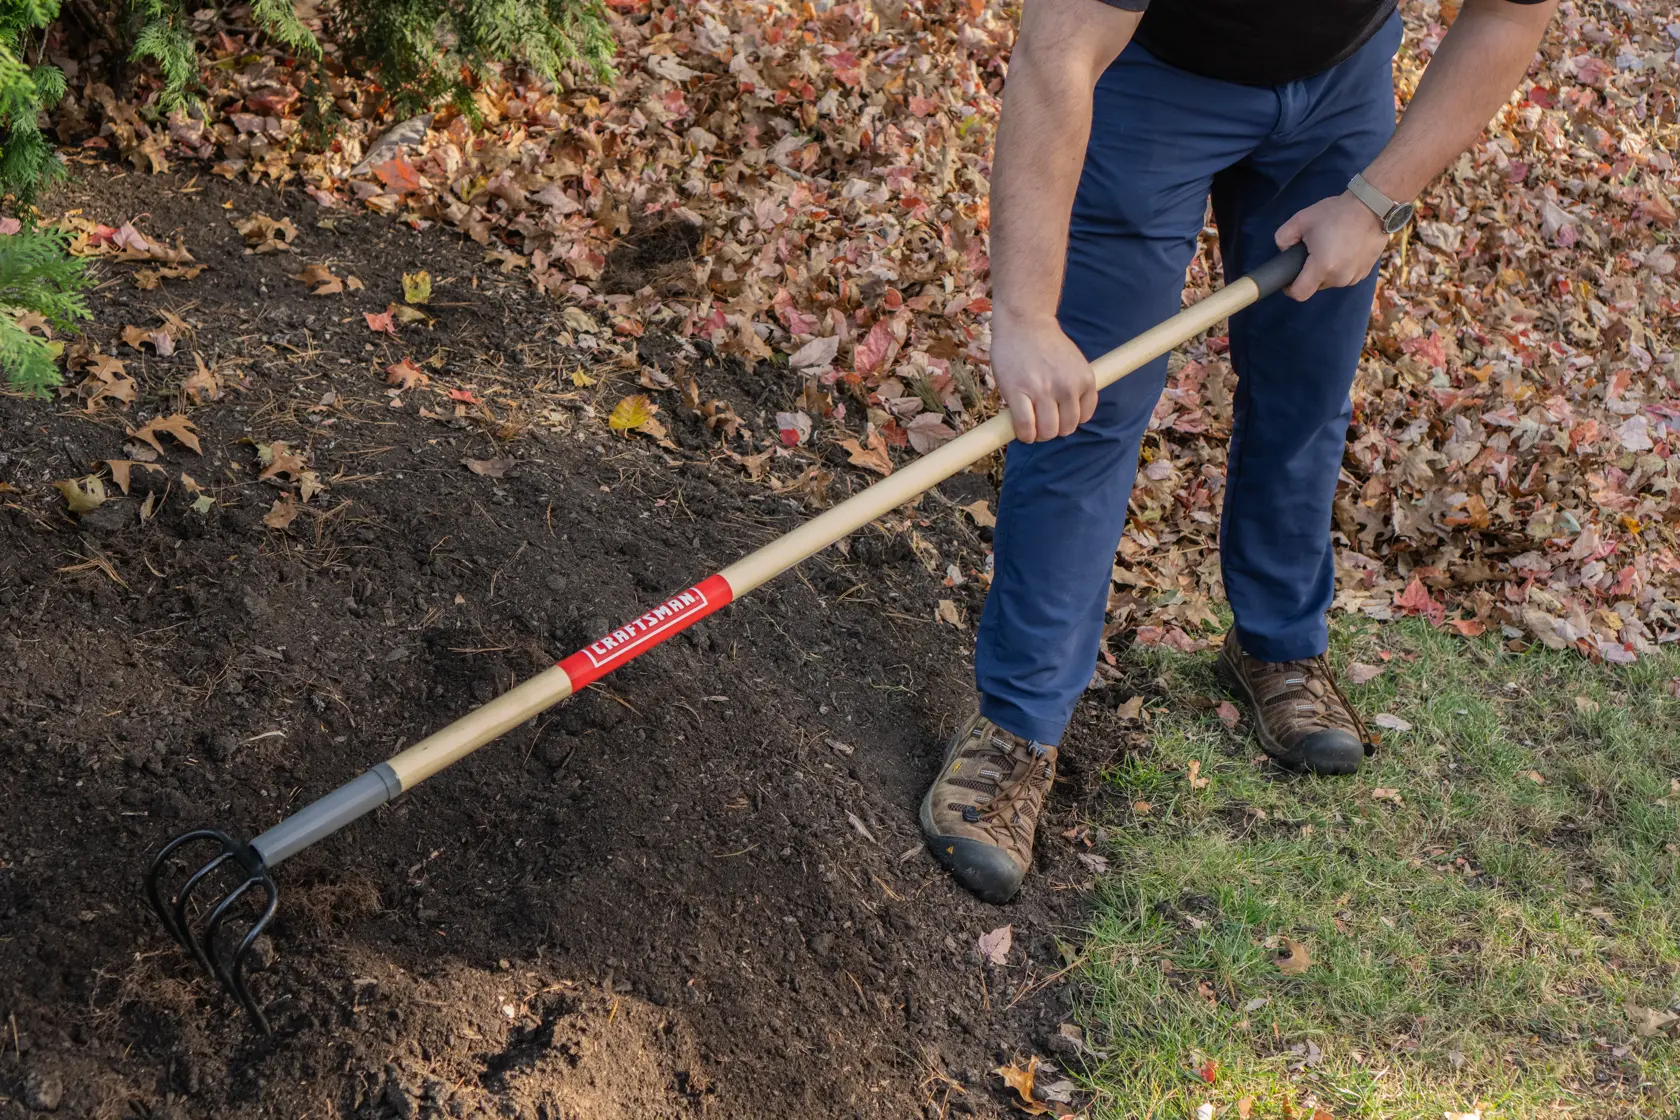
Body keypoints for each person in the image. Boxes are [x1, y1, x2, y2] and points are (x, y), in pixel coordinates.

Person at [921, 0, 1558, 903]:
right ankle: (1017, 727)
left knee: (1305, 387)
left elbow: (1509, 16)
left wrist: (1375, 201)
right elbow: (1057, 50)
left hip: (1339, 85)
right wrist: (1024, 317)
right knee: (1082, 407)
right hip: (1155, 81)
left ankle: (1277, 646)